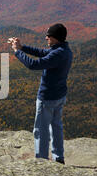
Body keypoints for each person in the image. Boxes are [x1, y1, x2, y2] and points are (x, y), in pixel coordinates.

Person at [8, 23, 73, 164]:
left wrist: (17, 52)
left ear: (56, 38)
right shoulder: (64, 50)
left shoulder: (57, 53)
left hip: (47, 98)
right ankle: (58, 157)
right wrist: (22, 47)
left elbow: (34, 65)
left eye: (49, 36)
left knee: (41, 131)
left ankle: (41, 162)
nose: (46, 38)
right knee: (56, 127)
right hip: (60, 96)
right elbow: (43, 53)